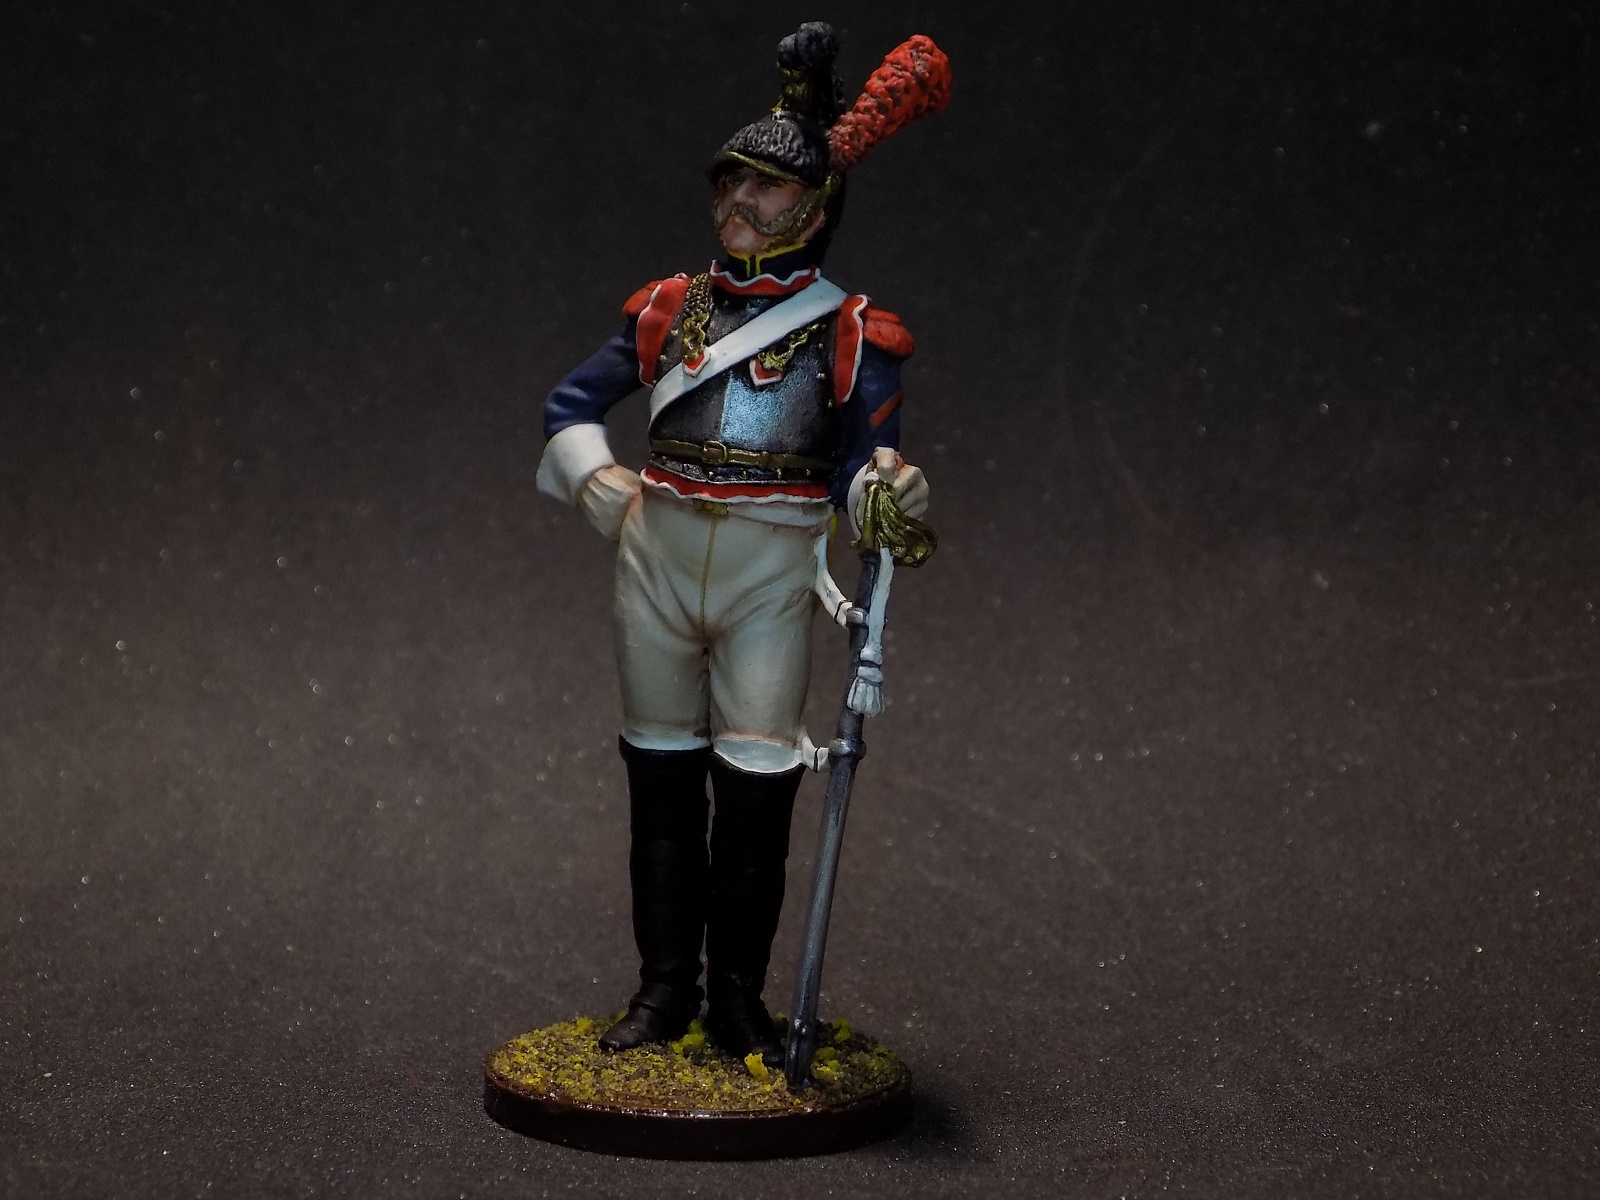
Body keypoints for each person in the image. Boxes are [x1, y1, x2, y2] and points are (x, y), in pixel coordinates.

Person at [535, 22, 950, 1067]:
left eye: (765, 186)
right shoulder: (670, 309)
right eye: (732, 181)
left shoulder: (849, 330)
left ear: (814, 204)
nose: (739, 201)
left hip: (771, 572)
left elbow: (865, 463)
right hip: (657, 559)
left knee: (758, 796)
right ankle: (661, 992)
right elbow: (571, 406)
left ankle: (736, 1002)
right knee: (660, 789)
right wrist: (598, 484)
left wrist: (885, 495)